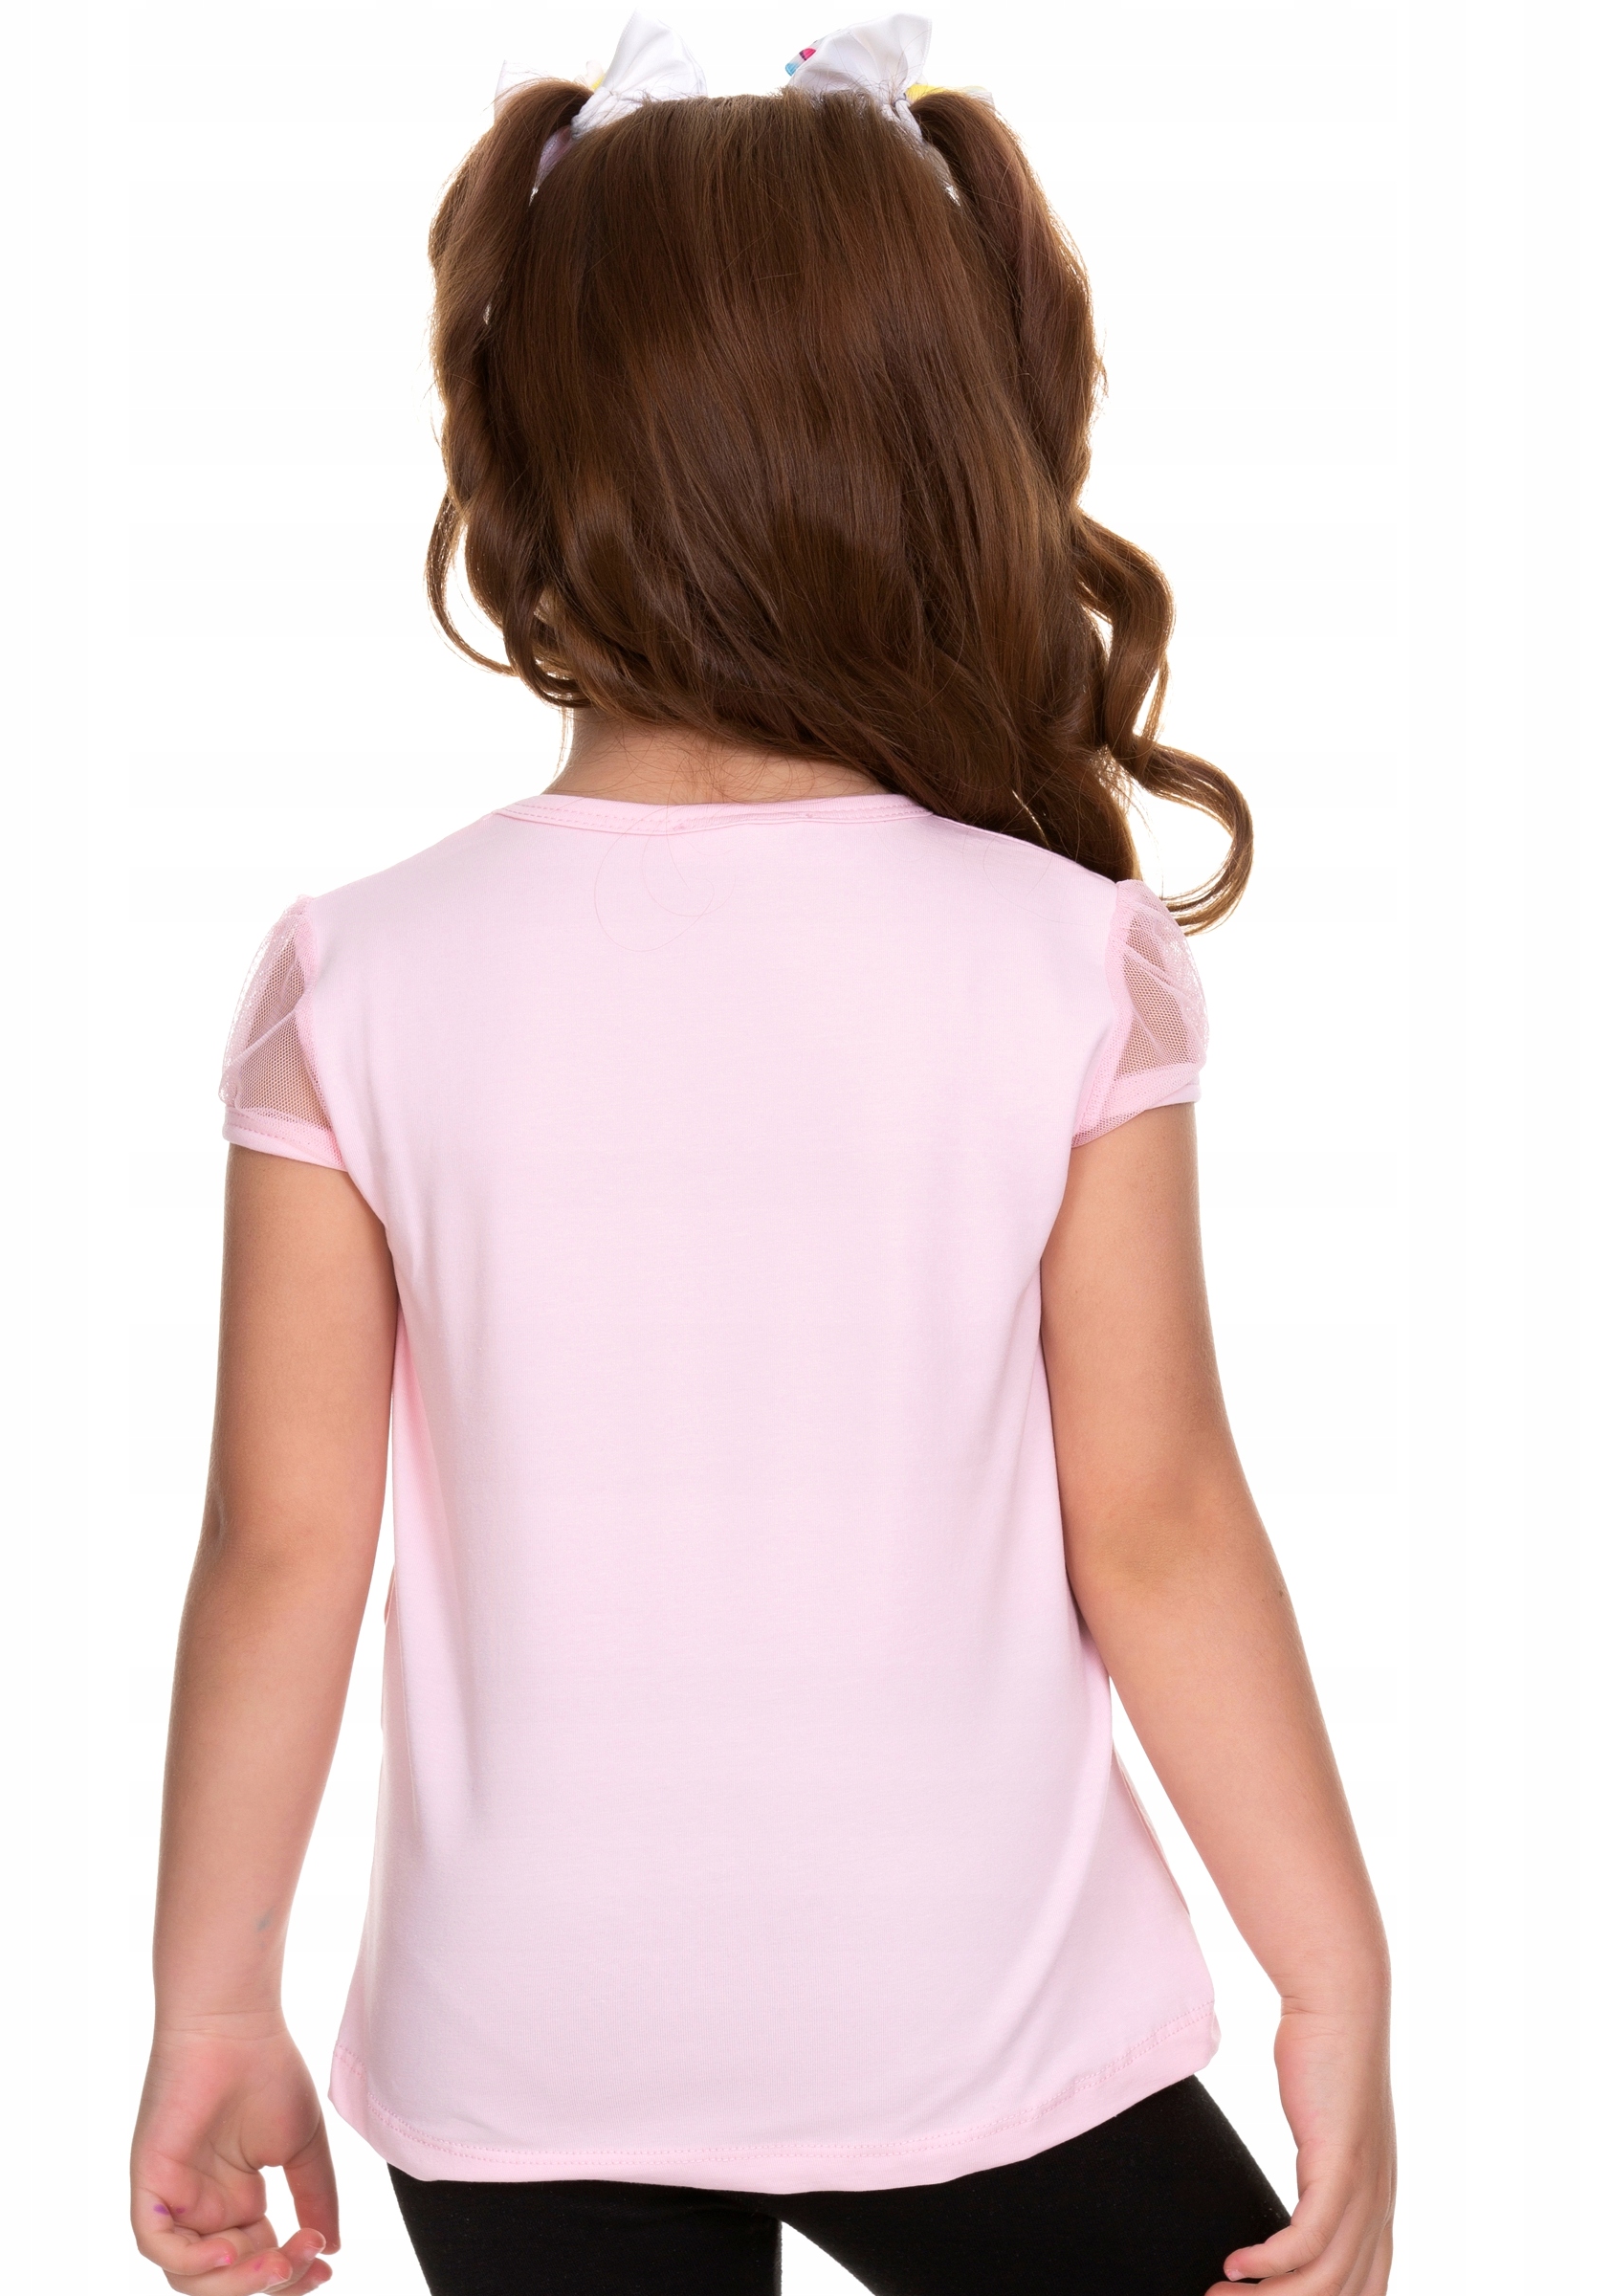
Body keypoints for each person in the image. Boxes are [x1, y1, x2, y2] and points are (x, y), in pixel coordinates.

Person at [128, 17, 1396, 2294]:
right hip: (986, 2024)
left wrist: (213, 2003)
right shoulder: (1059, 960)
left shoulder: (357, 975)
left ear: (517, 445)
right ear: (947, 444)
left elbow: (283, 1547)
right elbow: (1160, 1519)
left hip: (522, 2060)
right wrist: (1334, 1973)